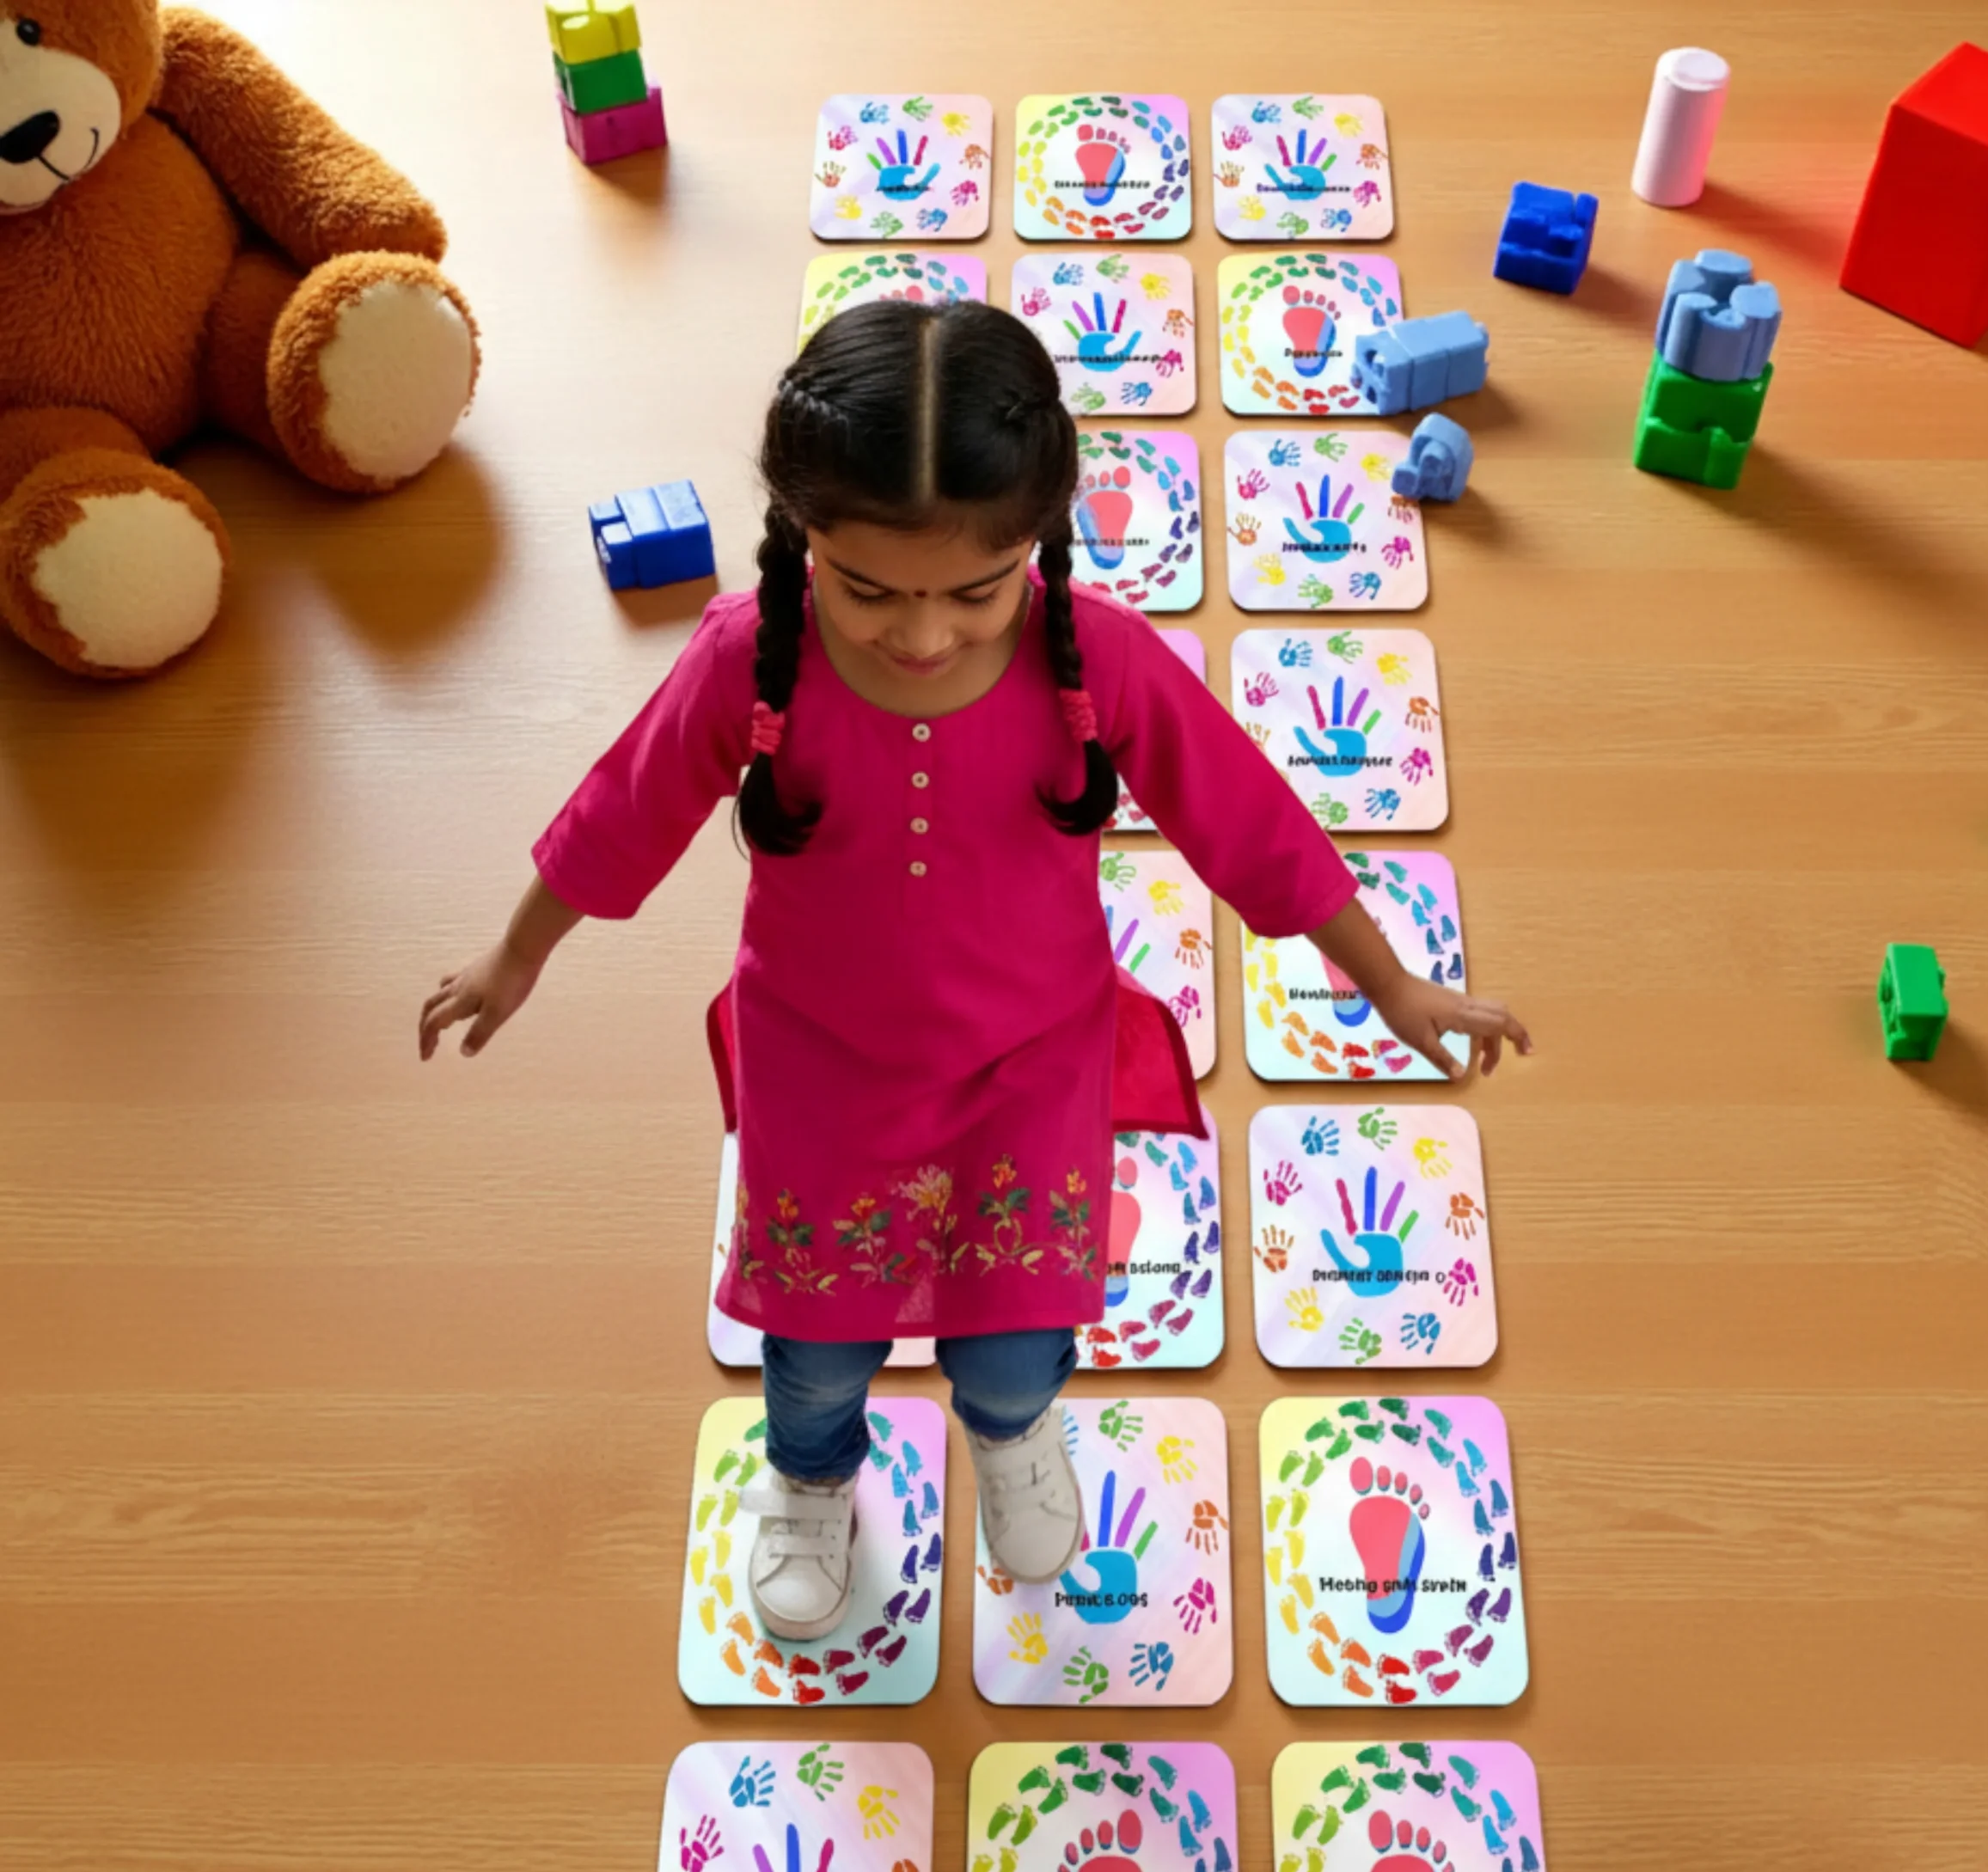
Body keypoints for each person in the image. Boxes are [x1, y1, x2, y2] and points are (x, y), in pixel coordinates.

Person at [419, 300, 1530, 1641]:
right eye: (869, 588)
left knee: (1014, 1348)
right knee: (816, 1354)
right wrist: (516, 952)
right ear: (803, 538)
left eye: (975, 590)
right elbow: (622, 810)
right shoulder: (743, 660)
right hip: (821, 1076)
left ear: (1036, 547)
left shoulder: (1099, 660)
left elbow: (1252, 826)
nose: (926, 636)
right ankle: (810, 1480)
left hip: (1028, 1068)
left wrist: (1393, 982)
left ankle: (1011, 1437)